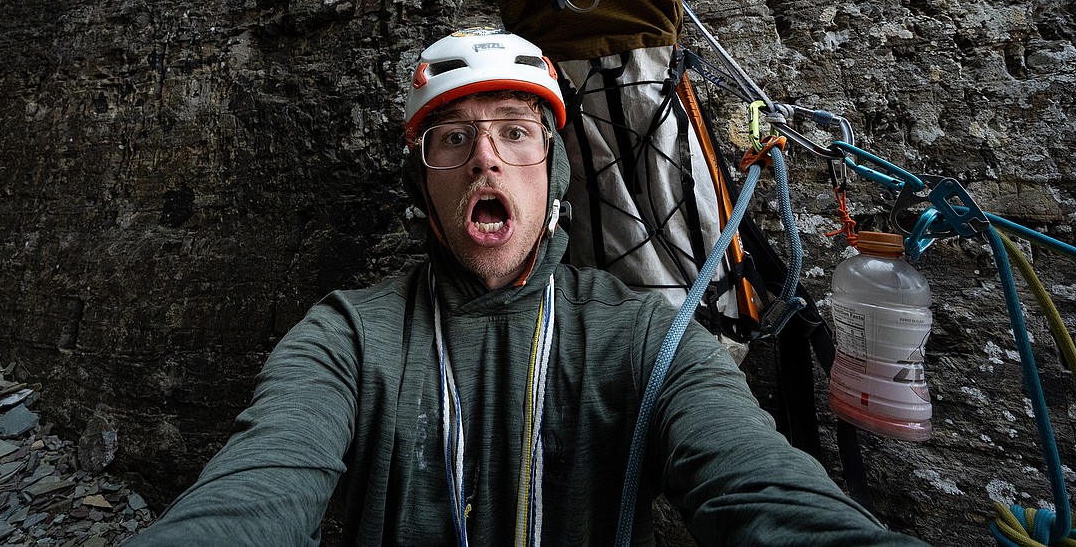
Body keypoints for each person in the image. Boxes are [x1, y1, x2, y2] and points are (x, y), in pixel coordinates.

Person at [127, 27, 931, 546]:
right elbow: (260, 482)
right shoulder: (348, 337)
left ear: (551, 173)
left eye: (515, 133)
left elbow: (760, 483)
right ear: (423, 184)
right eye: (454, 139)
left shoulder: (642, 337)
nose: (485, 158)